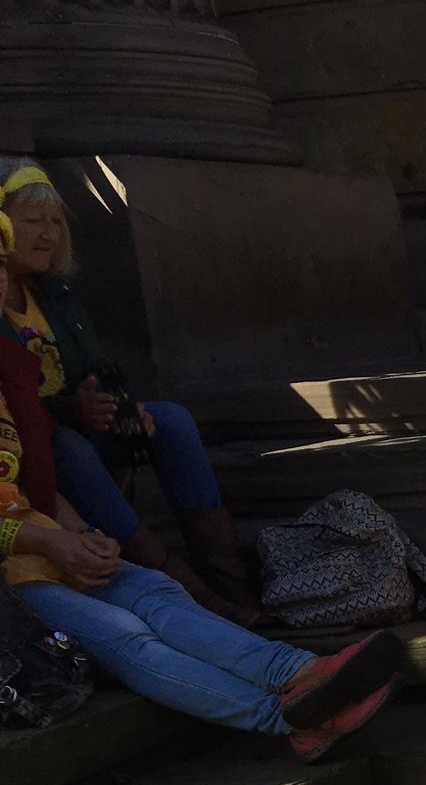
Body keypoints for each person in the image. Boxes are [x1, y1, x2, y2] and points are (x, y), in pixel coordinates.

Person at [0, 218, 399, 759]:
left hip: (41, 545)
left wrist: (75, 532)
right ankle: (289, 721)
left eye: (0, 265)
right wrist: (51, 543)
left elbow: (30, 477)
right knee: (125, 633)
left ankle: (302, 672)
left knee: (157, 593)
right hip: (13, 581)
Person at [0, 160, 261, 624]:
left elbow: (91, 371)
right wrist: (74, 411)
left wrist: (119, 407)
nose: (49, 234)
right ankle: (187, 589)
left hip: (77, 423)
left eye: (57, 222)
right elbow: (20, 407)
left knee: (172, 419)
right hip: (34, 443)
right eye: (33, 221)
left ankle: (230, 583)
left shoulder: (57, 295)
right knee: (70, 446)